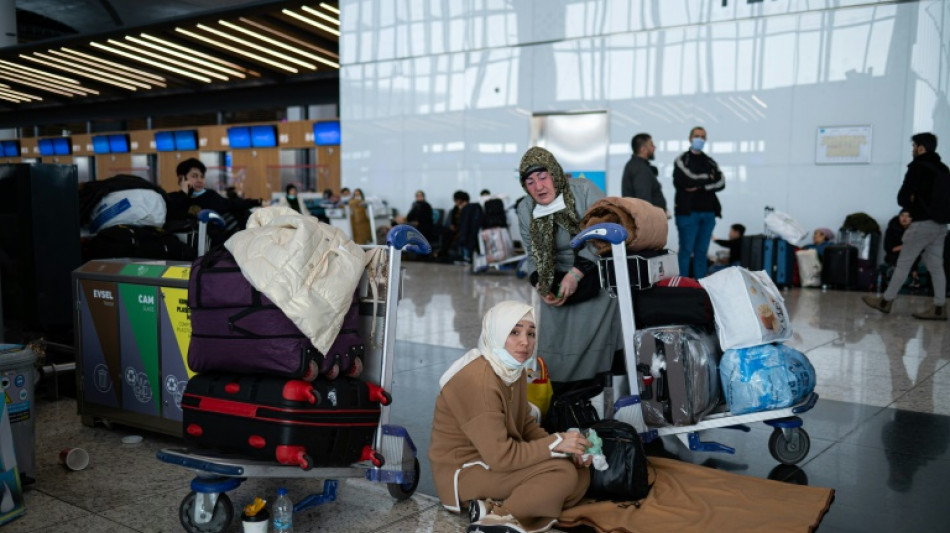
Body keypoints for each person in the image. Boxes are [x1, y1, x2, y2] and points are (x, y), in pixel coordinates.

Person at [429, 301, 592, 533]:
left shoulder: (511, 369)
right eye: (514, 332)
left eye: (531, 333)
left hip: (493, 461)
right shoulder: (479, 381)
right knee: (563, 474)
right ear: (496, 332)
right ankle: (498, 519)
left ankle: (493, 506)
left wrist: (565, 449)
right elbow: (502, 457)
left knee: (579, 472)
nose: (525, 342)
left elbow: (525, 425)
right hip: (464, 473)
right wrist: (555, 445)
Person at [516, 146, 623, 388]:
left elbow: (601, 235)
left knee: (586, 337)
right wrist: (542, 285)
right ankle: (557, 391)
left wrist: (576, 274)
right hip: (555, 274)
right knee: (555, 342)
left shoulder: (583, 191)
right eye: (530, 182)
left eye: (543, 177)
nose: (539, 187)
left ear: (555, 173)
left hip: (594, 267)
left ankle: (587, 387)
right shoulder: (526, 209)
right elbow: (533, 252)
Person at [864, 132, 948, 320]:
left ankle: (886, 301)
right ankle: (939, 308)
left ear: (921, 148)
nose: (912, 150)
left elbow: (903, 197)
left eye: (913, 146)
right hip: (941, 226)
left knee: (903, 264)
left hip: (921, 225)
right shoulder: (944, 169)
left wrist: (912, 199)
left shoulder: (918, 167)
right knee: (936, 266)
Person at [673, 126, 725, 278]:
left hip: (709, 213)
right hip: (688, 213)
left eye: (702, 136)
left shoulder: (710, 162)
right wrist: (708, 180)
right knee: (686, 250)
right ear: (690, 138)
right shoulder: (682, 160)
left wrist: (700, 186)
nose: (699, 139)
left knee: (702, 252)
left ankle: (701, 286)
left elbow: (721, 182)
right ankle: (683, 285)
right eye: (696, 136)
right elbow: (686, 181)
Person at [621, 132, 667, 210]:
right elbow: (644, 200)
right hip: (646, 218)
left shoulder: (638, 165)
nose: (654, 148)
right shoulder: (639, 168)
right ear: (643, 149)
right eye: (651, 145)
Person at [453, 190, 484, 264]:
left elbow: (464, 228)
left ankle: (465, 257)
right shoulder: (474, 207)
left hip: (468, 241)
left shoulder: (466, 210)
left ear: (459, 201)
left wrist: (461, 240)